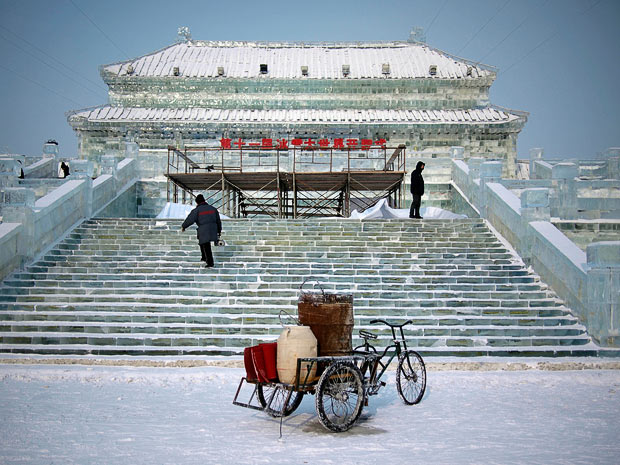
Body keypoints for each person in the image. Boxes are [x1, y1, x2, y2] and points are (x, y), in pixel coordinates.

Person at [181, 194, 222, 268]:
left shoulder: (197, 210)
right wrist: (219, 231)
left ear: (197, 202)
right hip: (213, 228)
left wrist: (184, 226)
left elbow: (190, 219)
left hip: (203, 229)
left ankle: (210, 262)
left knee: (205, 245)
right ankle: (204, 257)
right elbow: (218, 221)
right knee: (202, 242)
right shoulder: (213, 209)